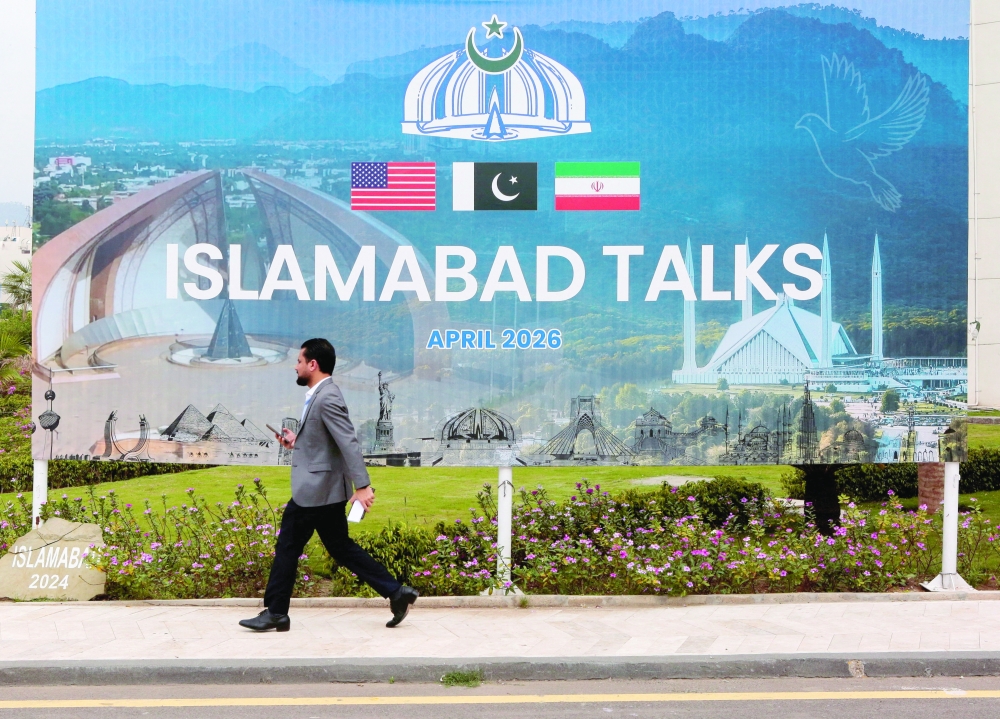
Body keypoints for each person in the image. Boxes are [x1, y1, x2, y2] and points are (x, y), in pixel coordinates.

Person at [239, 338, 418, 632]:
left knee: (287, 547)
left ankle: (276, 612)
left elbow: (348, 442)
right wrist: (296, 441)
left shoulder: (327, 397)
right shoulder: (320, 395)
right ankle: (397, 592)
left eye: (299, 361)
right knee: (340, 547)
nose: (295, 367)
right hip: (324, 489)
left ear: (313, 364)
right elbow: (327, 441)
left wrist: (363, 486)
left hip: (315, 491)